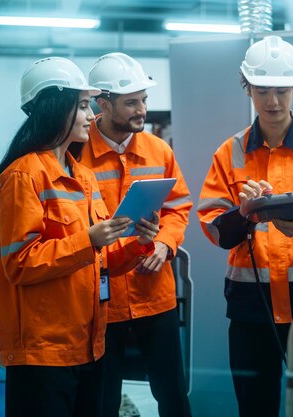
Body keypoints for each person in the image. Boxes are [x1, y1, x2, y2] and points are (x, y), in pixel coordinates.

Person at [0, 56, 160, 417]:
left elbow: (100, 261)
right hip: (43, 351)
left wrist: (138, 242)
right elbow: (20, 263)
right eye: (82, 106)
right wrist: (89, 240)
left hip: (88, 344)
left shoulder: (82, 177)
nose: (91, 116)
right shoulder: (23, 177)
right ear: (55, 109)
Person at [197, 36, 293, 417]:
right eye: (262, 90)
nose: (272, 101)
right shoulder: (229, 152)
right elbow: (216, 230)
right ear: (247, 88)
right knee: (256, 409)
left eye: (282, 91)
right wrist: (245, 212)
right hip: (253, 309)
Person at [81, 52, 193, 417]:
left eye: (144, 100)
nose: (142, 110)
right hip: (100, 301)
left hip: (153, 291)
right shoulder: (75, 153)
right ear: (103, 103)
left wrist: (164, 242)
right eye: (131, 102)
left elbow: (178, 208)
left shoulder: (158, 149)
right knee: (102, 398)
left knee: (173, 392)